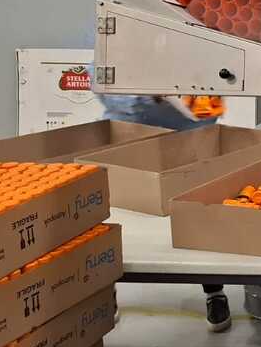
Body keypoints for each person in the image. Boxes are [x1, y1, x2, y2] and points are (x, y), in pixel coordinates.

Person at [97, 93, 232, 332]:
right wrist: (152, 97)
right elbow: (103, 86)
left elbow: (213, 91)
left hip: (188, 139)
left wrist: (203, 102)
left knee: (198, 218)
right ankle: (106, 289)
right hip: (130, 137)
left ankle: (214, 291)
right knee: (113, 221)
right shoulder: (121, 65)